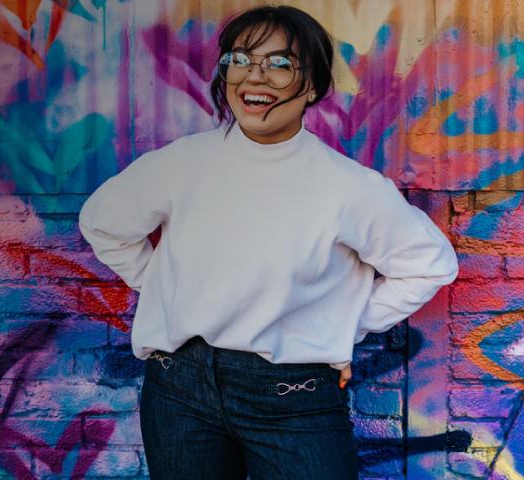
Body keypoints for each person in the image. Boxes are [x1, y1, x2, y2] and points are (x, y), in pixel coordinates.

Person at [79, 5, 458, 479]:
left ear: (313, 86)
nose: (254, 78)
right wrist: (164, 289)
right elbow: (103, 222)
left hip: (295, 399)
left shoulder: (348, 187)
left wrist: (341, 327)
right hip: (179, 391)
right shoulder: (183, 163)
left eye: (280, 64)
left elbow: (430, 265)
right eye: (241, 59)